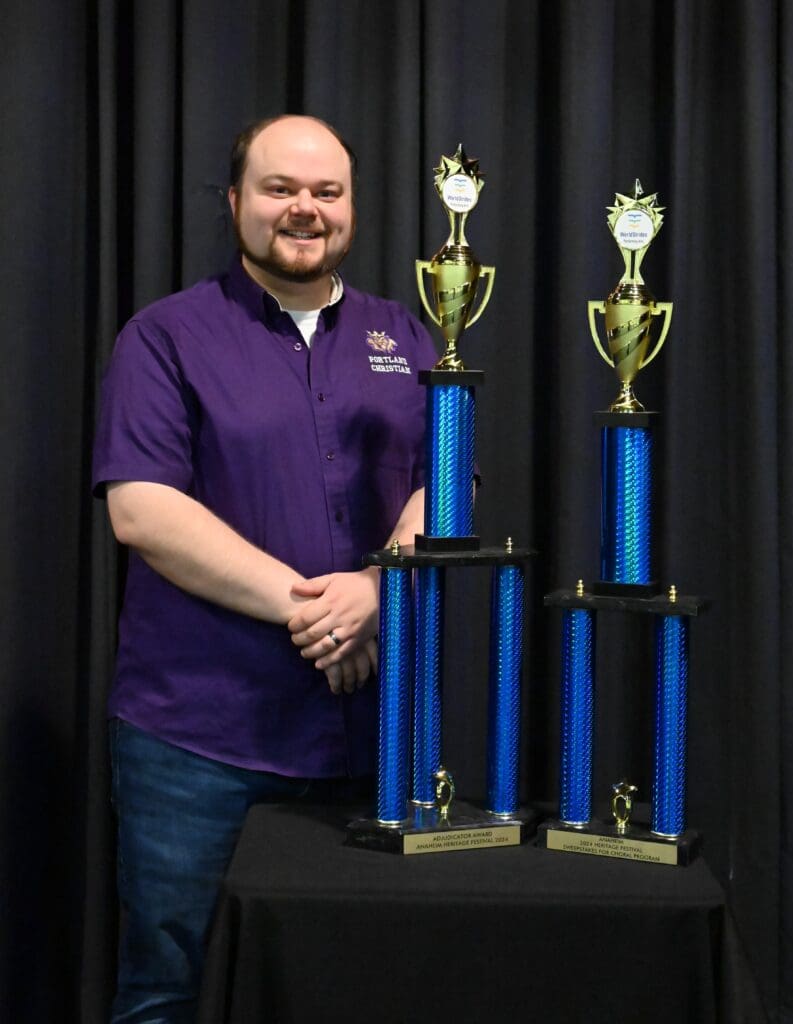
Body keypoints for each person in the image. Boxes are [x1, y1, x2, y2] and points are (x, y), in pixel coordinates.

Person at [93, 114, 438, 1023]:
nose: (304, 210)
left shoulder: (405, 335)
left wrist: (376, 589)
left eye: (326, 192)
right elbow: (143, 511)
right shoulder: (164, 338)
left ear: (351, 207)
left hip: (374, 737)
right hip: (196, 742)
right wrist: (320, 611)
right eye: (281, 189)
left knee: (348, 991)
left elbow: (449, 486)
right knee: (170, 993)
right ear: (236, 200)